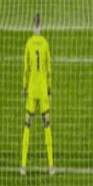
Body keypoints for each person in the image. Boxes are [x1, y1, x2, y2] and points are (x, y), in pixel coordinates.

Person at [20, 13, 55, 177]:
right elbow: (48, 69)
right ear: (40, 26)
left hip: (32, 90)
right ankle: (51, 165)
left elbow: (26, 68)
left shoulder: (28, 43)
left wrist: (24, 87)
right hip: (43, 90)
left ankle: (23, 166)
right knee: (47, 126)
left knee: (27, 127)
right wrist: (49, 88)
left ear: (32, 26)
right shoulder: (45, 43)